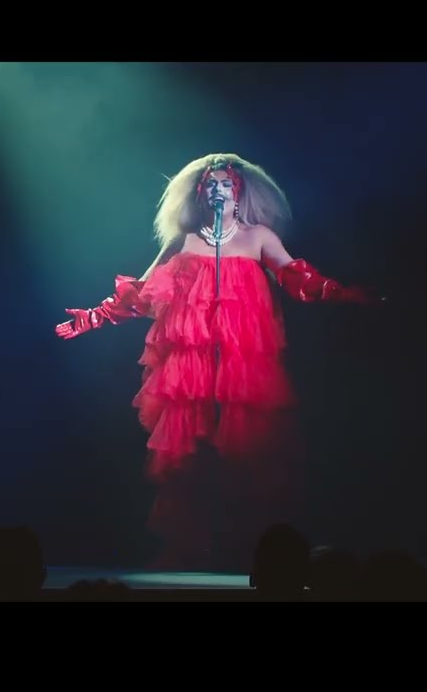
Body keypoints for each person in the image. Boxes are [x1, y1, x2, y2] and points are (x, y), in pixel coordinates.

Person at [55, 152, 380, 570]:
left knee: (245, 447)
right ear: (200, 192)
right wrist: (94, 317)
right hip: (192, 366)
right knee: (194, 451)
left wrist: (344, 293)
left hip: (242, 364)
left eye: (225, 185)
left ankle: (251, 548)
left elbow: (297, 278)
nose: (218, 191)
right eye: (211, 185)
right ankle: (192, 546)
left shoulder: (258, 236)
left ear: (238, 191)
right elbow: (143, 292)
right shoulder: (184, 241)